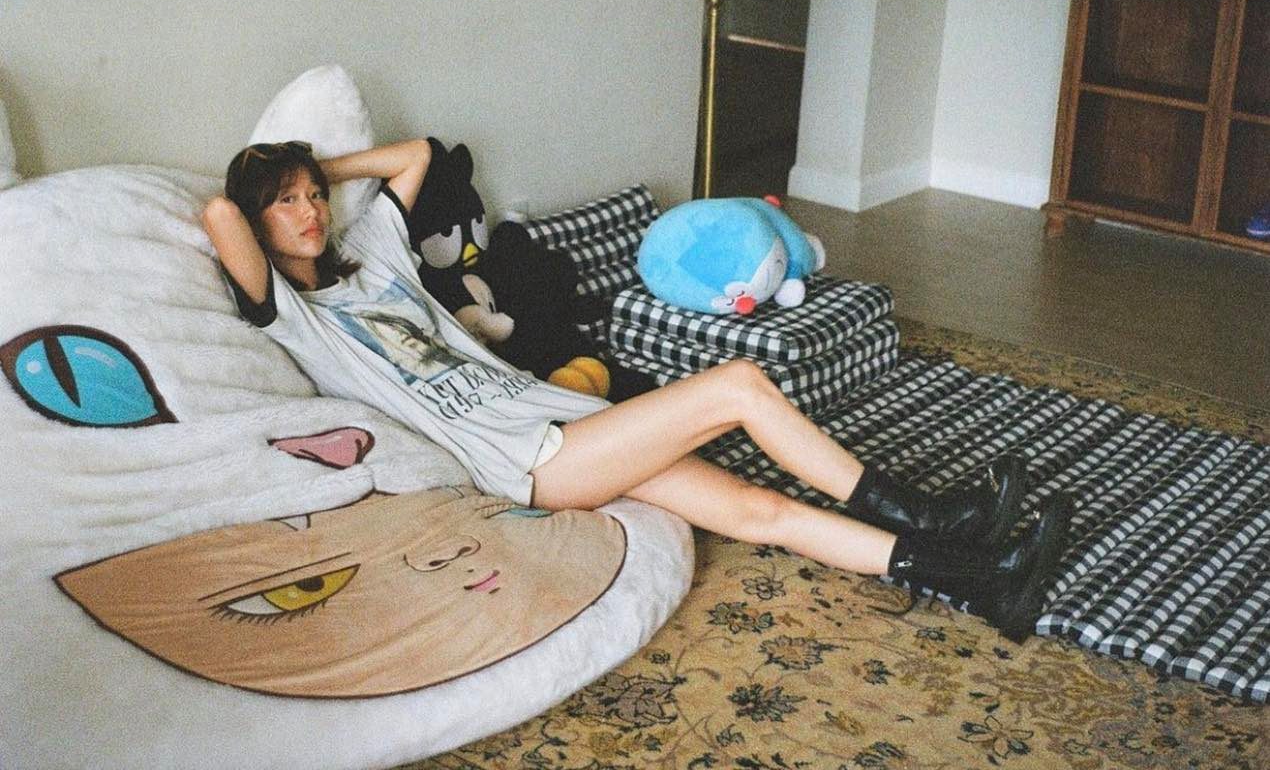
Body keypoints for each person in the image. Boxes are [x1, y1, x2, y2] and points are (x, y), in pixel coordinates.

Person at [203, 138, 1072, 644]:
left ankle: (982, 584)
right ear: (259, 221)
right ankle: (930, 515)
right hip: (524, 458)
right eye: (286, 204)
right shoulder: (294, 316)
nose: (310, 212)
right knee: (738, 384)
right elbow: (217, 215)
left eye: (315, 196)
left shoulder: (375, 258)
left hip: (565, 422)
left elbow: (418, 156)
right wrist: (267, 179)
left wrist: (320, 163)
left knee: (757, 509)